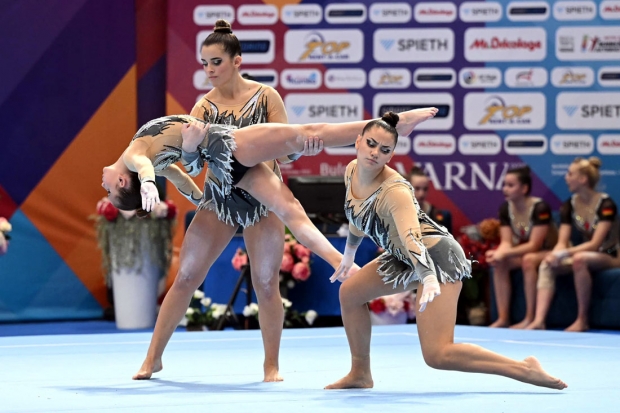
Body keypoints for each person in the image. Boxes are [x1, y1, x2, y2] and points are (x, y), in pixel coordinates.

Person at [102, 108, 438, 380]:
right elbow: (171, 170)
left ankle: (343, 262)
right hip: (227, 153)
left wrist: (158, 181)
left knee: (293, 211)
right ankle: (392, 124)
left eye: (109, 193)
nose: (104, 187)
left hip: (229, 162)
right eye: (111, 191)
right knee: (301, 172)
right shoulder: (134, 158)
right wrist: (168, 186)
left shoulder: (138, 158)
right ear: (122, 180)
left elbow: (166, 168)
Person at [324, 112, 567, 391]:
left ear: (391, 156)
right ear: (357, 141)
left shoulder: (396, 191)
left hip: (436, 257)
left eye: (385, 149)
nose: (375, 152)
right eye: (370, 143)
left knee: (438, 354)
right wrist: (349, 255)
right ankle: (360, 373)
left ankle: (524, 368)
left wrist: (427, 277)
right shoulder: (352, 170)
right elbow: (358, 215)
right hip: (406, 257)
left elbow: (411, 237)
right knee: (350, 293)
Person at [181, 20, 323, 382]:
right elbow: (194, 165)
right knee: (186, 276)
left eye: (216, 62)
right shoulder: (203, 108)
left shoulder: (267, 97)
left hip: (263, 198)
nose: (210, 70)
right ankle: (153, 358)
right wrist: (188, 148)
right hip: (222, 197)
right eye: (204, 63)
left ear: (237, 61)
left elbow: (286, 153)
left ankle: (271, 365)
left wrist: (301, 149)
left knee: (265, 282)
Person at [526, 157, 619, 332]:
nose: (566, 177)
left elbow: (595, 244)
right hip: (588, 255)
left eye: (570, 174)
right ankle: (538, 320)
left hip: (611, 255)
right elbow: (562, 241)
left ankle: (582, 319)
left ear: (583, 179)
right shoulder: (569, 205)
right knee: (547, 263)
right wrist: (556, 254)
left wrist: (563, 254)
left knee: (580, 259)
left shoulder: (606, 204)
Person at [486, 166, 557, 328]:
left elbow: (534, 245)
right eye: (504, 185)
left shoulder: (540, 208)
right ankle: (503, 317)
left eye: (511, 185)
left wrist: (505, 253)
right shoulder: (505, 208)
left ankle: (530, 317)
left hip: (551, 251)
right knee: (500, 263)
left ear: (524, 188)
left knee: (528, 260)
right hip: (527, 251)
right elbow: (506, 242)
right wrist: (498, 253)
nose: (505, 189)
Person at [407, 166, 451, 232]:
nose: (421, 193)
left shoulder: (438, 215)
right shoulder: (397, 213)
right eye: (417, 188)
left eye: (425, 189)